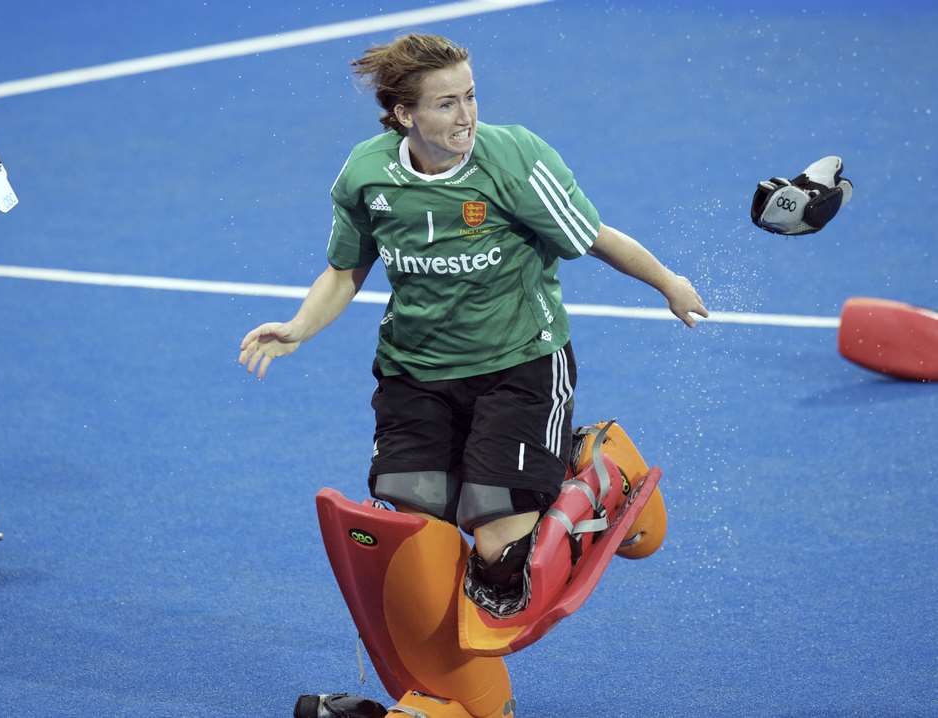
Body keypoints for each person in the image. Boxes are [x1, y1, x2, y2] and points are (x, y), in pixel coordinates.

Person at [239, 33, 707, 718]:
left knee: (498, 555)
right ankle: (465, 701)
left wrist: (668, 281)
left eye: (471, 97)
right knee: (415, 538)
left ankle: (599, 473)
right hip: (415, 376)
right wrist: (299, 327)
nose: (466, 117)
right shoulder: (368, 176)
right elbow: (346, 270)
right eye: (446, 104)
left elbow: (594, 234)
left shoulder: (512, 160)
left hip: (520, 368)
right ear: (403, 115)